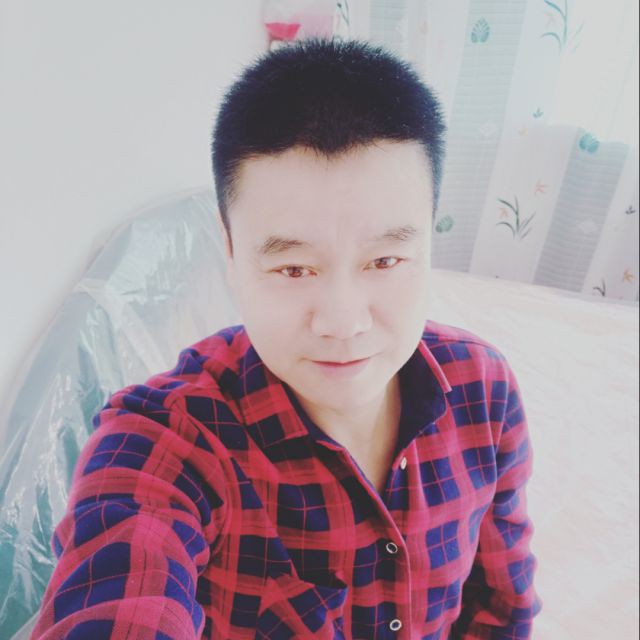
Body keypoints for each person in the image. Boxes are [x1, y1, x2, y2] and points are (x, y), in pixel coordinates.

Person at [31, 38, 542, 639]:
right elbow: (123, 589)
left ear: (430, 241)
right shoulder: (169, 441)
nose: (343, 322)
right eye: (294, 269)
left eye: (385, 261)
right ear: (229, 250)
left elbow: (502, 604)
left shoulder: (483, 390)